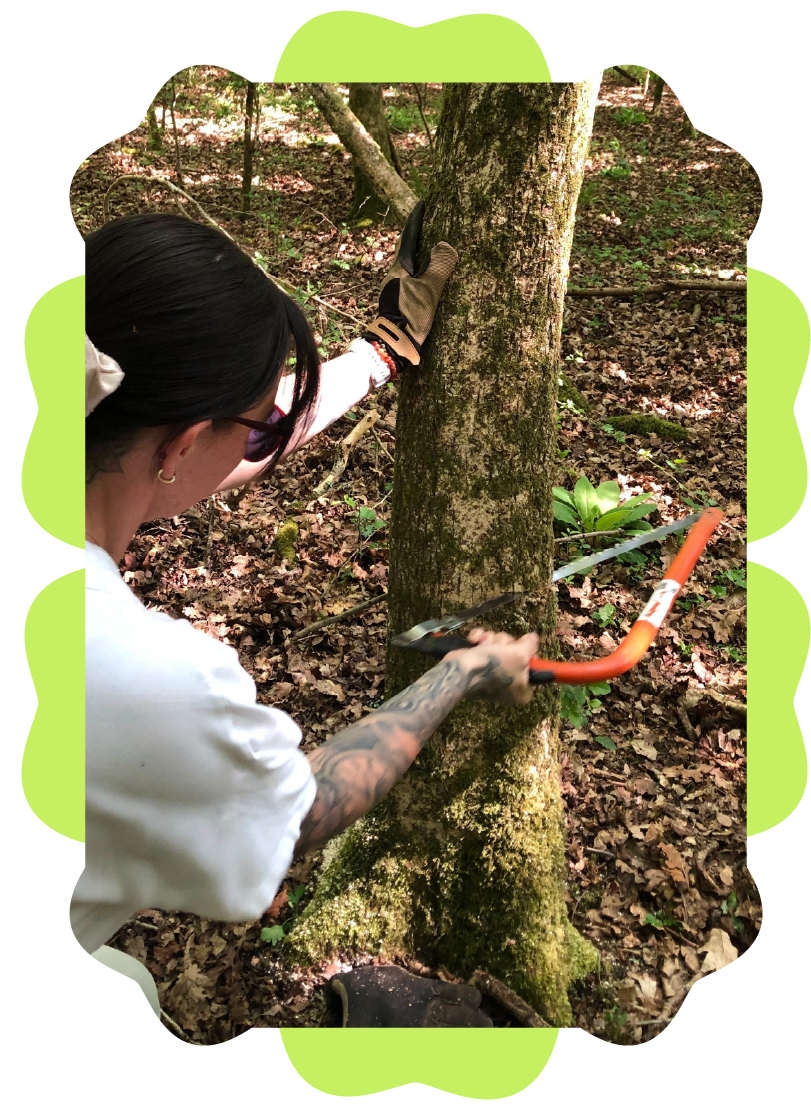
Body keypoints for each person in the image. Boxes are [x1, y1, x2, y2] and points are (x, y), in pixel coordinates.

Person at [77, 207, 540, 1023]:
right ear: (183, 444)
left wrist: (378, 354)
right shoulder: (139, 677)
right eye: (255, 420)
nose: (264, 438)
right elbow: (300, 811)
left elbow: (207, 450)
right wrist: (458, 674)